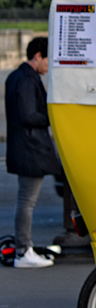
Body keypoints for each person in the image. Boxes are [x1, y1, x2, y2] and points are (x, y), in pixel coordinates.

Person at [6, 37, 59, 268]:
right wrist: (53, 118)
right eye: (48, 59)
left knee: (25, 201)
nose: (49, 66)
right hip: (30, 150)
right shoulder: (27, 79)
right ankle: (23, 251)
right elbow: (29, 115)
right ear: (38, 56)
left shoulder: (17, 76)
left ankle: (23, 248)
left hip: (24, 148)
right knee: (26, 202)